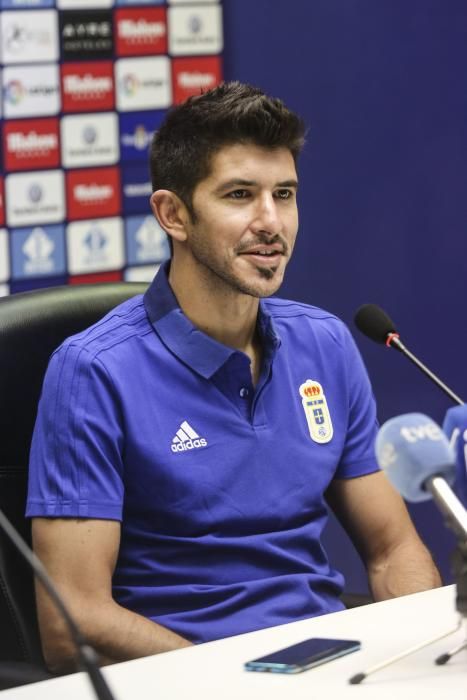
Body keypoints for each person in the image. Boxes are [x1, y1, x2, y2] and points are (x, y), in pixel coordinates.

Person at [27, 82, 441, 673]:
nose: (271, 222)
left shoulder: (324, 343)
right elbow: (74, 621)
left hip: (328, 666)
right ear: (174, 215)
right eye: (240, 195)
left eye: (285, 194)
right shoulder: (92, 371)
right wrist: (234, 681)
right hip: (184, 675)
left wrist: (427, 645)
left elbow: (392, 547)